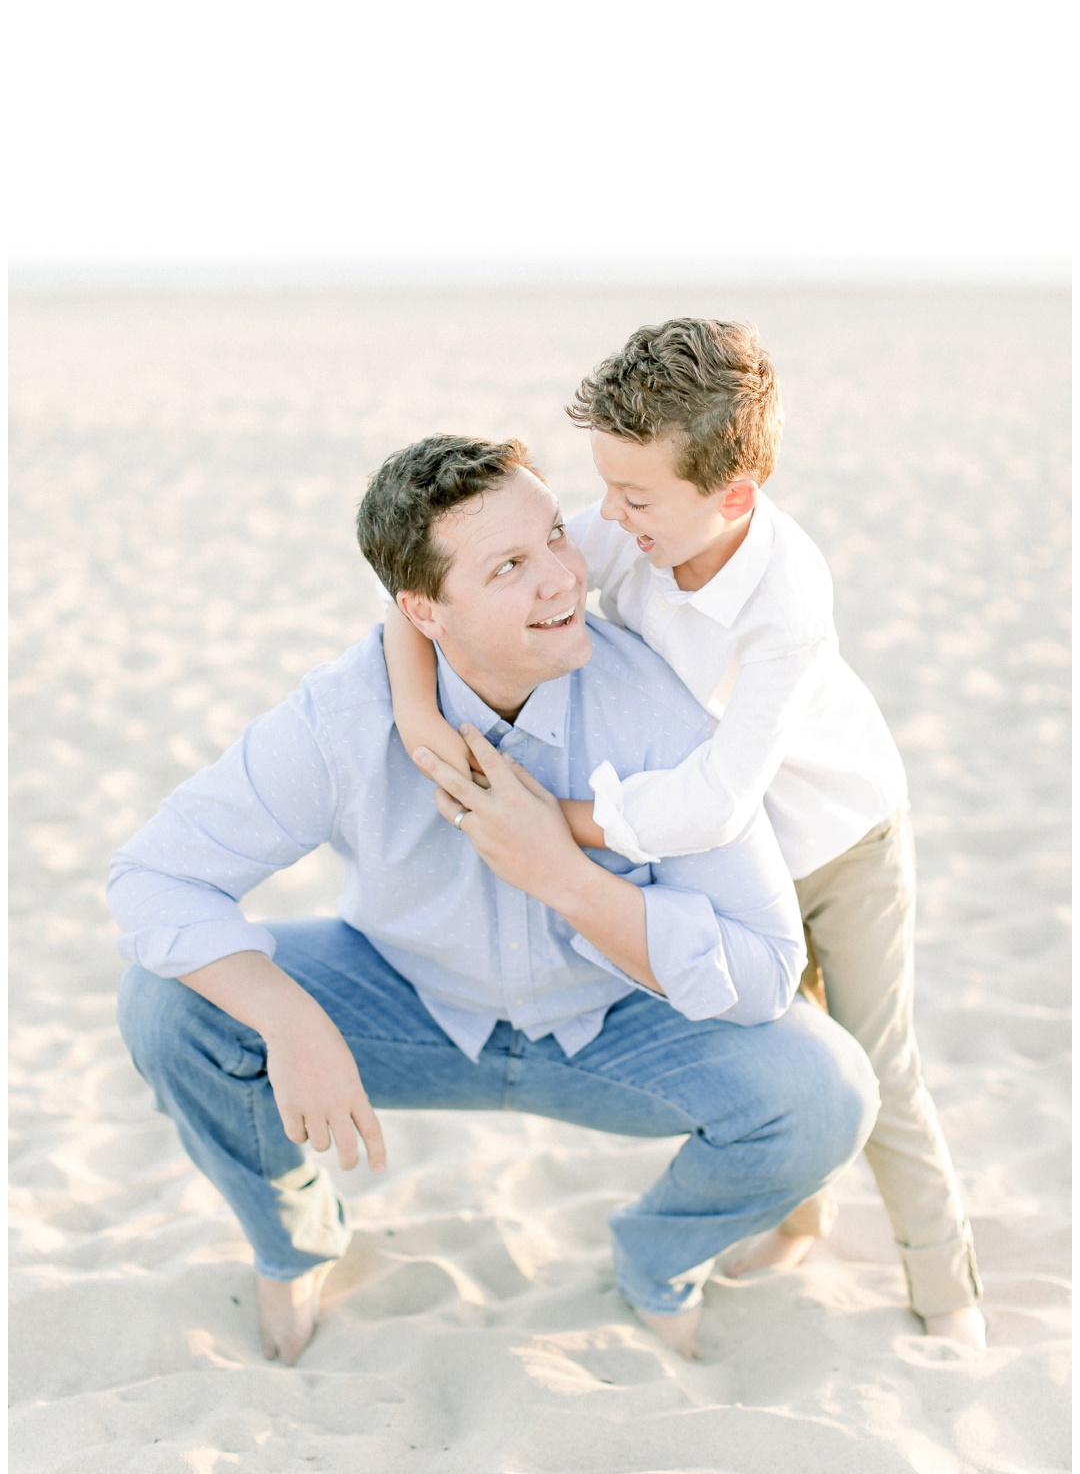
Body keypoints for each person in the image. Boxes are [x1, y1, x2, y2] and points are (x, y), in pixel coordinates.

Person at [109, 433, 878, 1366]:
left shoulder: (660, 709)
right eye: (512, 565)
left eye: (557, 538)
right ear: (424, 610)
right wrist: (293, 1025)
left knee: (826, 1094)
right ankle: (294, 1243)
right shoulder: (347, 713)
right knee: (168, 1003)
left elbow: (764, 974)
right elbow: (155, 876)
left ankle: (657, 1259)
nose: (562, 579)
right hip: (409, 1008)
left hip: (617, 1022)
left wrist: (564, 876)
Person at [382, 323, 986, 1349]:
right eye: (604, 491)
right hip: (734, 862)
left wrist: (557, 827)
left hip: (838, 843)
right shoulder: (640, 521)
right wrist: (415, 711)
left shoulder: (785, 601)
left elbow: (711, 796)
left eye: (633, 498)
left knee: (876, 1060)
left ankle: (946, 1285)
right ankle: (802, 1217)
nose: (605, 523)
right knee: (783, 1040)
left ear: (734, 496)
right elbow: (431, 585)